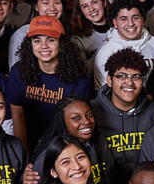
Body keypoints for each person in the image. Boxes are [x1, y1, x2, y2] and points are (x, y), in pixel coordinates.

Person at [6, 14, 92, 151]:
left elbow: (77, 124)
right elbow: (17, 115)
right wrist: (24, 156)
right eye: (37, 40)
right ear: (30, 44)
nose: (43, 46)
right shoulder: (19, 71)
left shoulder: (79, 77)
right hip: (30, 141)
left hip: (64, 144)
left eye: (51, 40)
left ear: (61, 44)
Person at [92, 49, 154, 184]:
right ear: (109, 80)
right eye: (121, 76)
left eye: (136, 77)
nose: (129, 82)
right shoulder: (91, 113)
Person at [94, 0, 154, 87]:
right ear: (115, 23)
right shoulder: (105, 52)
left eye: (135, 18)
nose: (130, 23)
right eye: (123, 19)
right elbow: (102, 92)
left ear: (143, 20)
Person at [8, 0, 66, 67]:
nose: (52, 8)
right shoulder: (22, 34)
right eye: (46, 3)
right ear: (36, 6)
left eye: (57, 2)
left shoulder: (66, 30)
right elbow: (16, 69)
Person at [70, 0, 113, 68]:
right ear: (81, 11)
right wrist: (105, 46)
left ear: (104, 2)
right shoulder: (78, 39)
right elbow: (85, 72)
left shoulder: (120, 27)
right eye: (85, 6)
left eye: (94, 2)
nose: (91, 9)